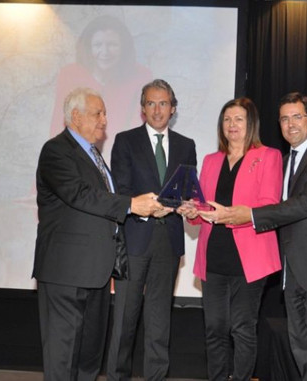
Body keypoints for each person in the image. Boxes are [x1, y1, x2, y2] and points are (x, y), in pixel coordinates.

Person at [199, 92, 307, 381]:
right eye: (284, 118)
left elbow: (305, 204)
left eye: (297, 117)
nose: (290, 124)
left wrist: (251, 215)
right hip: (294, 271)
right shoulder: (285, 161)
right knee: (301, 347)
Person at [33, 87, 166, 381]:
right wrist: (131, 203)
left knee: (89, 358)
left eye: (105, 113)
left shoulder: (93, 155)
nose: (105, 120)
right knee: (62, 357)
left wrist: (144, 209)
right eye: (98, 113)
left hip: (98, 272)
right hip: (66, 273)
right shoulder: (56, 151)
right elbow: (80, 195)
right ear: (76, 116)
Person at [178, 97, 283, 381]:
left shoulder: (268, 156)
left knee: (242, 328)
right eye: (227, 119)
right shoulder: (212, 161)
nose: (232, 125)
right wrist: (192, 211)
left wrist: (230, 215)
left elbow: (269, 205)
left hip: (248, 259)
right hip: (214, 257)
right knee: (214, 328)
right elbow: (203, 212)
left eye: (238, 119)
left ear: (251, 124)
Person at [106, 79, 197, 381]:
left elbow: (189, 192)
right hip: (135, 238)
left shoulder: (186, 145)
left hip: (168, 243)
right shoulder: (125, 140)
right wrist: (145, 208)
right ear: (142, 109)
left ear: (173, 108)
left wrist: (186, 205)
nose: (157, 110)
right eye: (151, 103)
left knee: (160, 322)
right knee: (124, 321)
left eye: (163, 103)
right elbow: (121, 190)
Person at [50, 15, 153, 158]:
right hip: (76, 161)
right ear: (88, 48)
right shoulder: (70, 75)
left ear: (124, 48)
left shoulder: (141, 76)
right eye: (98, 45)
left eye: (112, 45)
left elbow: (141, 134)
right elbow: (58, 126)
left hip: (122, 162)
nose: (105, 52)